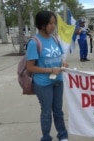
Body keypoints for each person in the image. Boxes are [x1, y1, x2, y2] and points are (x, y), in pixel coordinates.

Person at [26, 10, 69, 141]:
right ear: (42, 24)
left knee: (58, 111)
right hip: (43, 84)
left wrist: (63, 63)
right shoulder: (34, 42)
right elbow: (30, 67)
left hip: (58, 81)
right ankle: (46, 138)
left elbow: (61, 56)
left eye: (54, 23)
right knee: (46, 113)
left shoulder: (55, 39)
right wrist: (50, 70)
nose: (53, 26)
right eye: (50, 23)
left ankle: (62, 135)